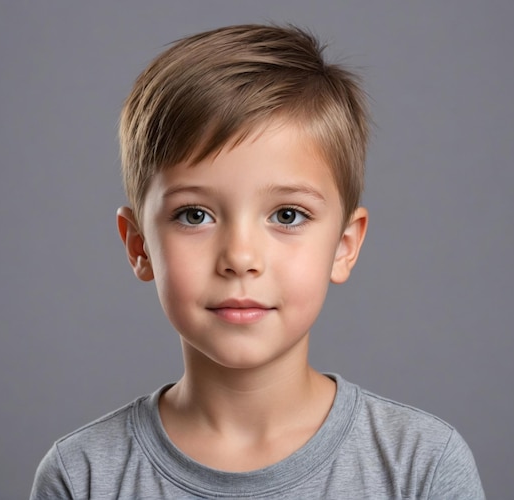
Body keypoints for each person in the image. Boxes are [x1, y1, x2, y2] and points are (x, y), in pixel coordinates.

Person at [30, 24, 485, 499]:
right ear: (139, 246)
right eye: (195, 215)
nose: (240, 258)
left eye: (287, 215)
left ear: (344, 245)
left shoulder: (422, 465)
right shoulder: (82, 476)